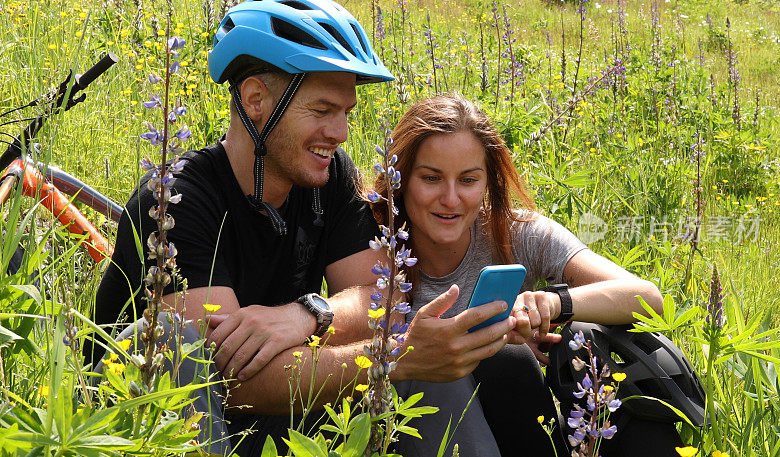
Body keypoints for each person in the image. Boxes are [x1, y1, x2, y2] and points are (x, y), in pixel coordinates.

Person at [94, 2, 521, 456]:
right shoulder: (176, 199)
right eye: (322, 110)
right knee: (181, 341)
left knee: (425, 355)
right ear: (256, 100)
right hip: (149, 425)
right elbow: (227, 378)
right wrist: (392, 358)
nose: (339, 131)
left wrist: (308, 314)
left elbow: (384, 302)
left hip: (282, 418)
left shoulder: (329, 175)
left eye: (346, 113)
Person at [371, 94, 686, 456]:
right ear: (401, 179)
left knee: (582, 337)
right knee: (505, 359)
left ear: (488, 182)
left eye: (468, 180)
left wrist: (553, 303)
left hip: (519, 419)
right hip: (411, 428)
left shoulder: (518, 232)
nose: (451, 198)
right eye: (431, 178)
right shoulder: (378, 245)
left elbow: (647, 298)